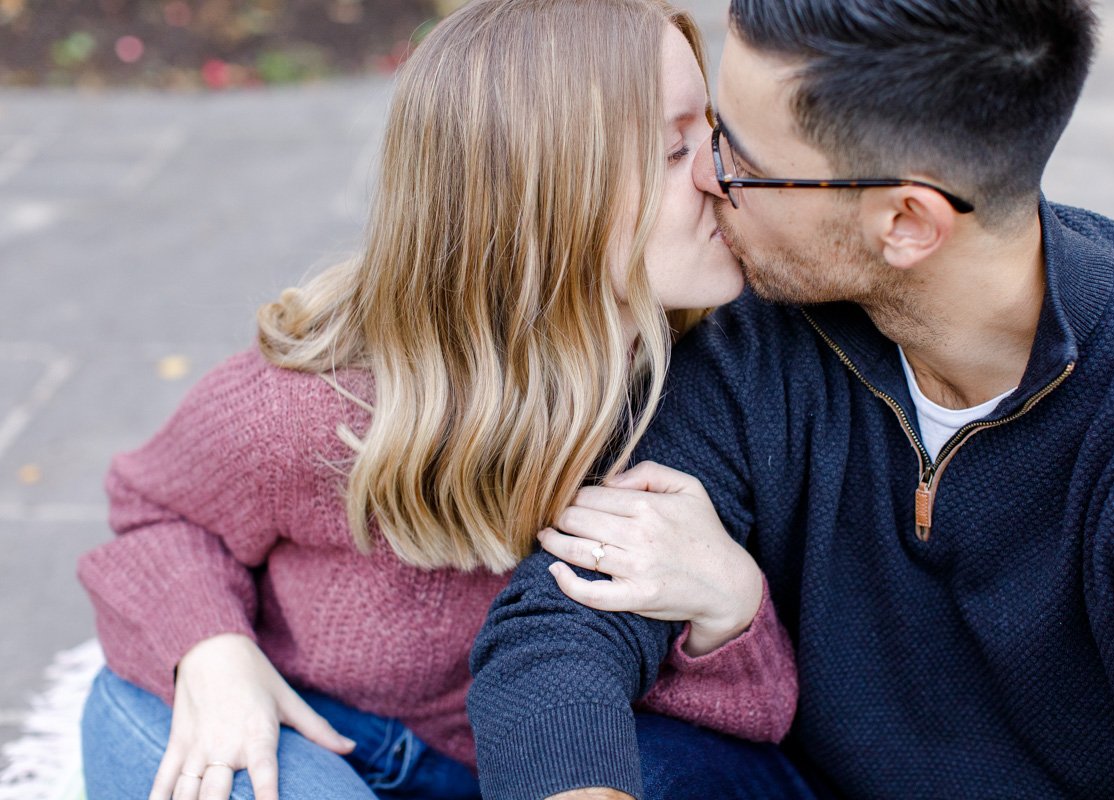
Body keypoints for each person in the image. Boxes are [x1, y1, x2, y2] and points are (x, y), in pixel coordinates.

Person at [467, 0, 1114, 798]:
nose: (710, 175)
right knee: (637, 760)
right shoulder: (760, 335)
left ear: (907, 223)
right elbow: (554, 635)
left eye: (742, 156)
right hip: (801, 785)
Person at [75, 1, 803, 798]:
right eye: (674, 148)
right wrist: (210, 649)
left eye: (713, 128)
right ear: (541, 202)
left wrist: (728, 611)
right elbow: (154, 514)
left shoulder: (712, 381)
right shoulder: (319, 406)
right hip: (323, 734)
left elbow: (737, 742)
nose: (720, 170)